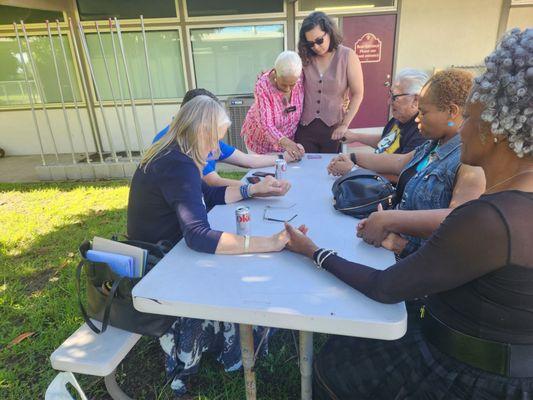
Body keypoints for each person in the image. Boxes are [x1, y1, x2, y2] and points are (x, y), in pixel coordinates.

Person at [284, 28, 533, 400]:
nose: (463, 130)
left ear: (499, 129)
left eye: (471, 119)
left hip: (470, 375)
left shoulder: (490, 218)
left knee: (335, 363)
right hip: (477, 353)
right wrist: (403, 247)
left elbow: (385, 288)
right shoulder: (510, 201)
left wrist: (313, 252)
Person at [128, 95, 291, 396]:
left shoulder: (173, 154)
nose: (216, 150)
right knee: (240, 264)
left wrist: (253, 190)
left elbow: (207, 195)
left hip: (160, 252)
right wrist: (266, 242)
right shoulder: (178, 165)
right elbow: (198, 235)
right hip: (160, 265)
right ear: (201, 132)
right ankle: (229, 347)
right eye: (214, 140)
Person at [328, 69, 486, 257]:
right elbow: (399, 162)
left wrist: (390, 223)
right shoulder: (433, 145)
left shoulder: (470, 163)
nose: (418, 118)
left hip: (419, 264)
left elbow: (457, 221)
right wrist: (354, 158)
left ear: (452, 111)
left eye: (424, 113)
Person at [154, 88, 301, 187]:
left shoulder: (201, 134)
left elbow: (247, 160)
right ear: (198, 120)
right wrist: (255, 188)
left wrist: (286, 156)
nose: (214, 148)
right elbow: (213, 182)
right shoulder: (178, 144)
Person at [295, 11, 364, 153]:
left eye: (319, 40)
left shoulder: (347, 56)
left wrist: (345, 125)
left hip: (334, 130)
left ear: (329, 32)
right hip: (305, 130)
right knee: (304, 172)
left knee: (330, 171)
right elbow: (287, 77)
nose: (316, 47)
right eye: (310, 44)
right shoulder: (304, 58)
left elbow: (358, 94)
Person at [342, 68, 429, 156]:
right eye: (390, 94)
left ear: (416, 100)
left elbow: (399, 165)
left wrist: (355, 159)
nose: (389, 102)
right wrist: (355, 137)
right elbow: (386, 141)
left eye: (395, 97)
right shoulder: (400, 118)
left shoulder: (422, 132)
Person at [242, 50, 306, 159]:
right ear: (275, 72)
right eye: (283, 84)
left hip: (286, 143)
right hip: (260, 143)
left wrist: (290, 144)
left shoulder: (300, 78)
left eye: (292, 85)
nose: (287, 88)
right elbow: (266, 125)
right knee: (265, 174)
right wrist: (287, 143)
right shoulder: (263, 86)